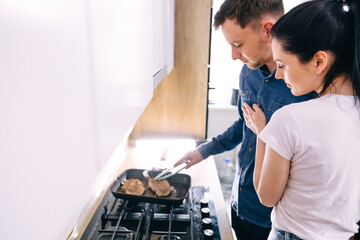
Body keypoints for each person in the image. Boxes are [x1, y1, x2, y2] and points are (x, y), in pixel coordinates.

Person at [174, 0, 316, 239]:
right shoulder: (248, 72)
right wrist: (203, 151)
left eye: (238, 44)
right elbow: (243, 124)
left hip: (274, 221)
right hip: (241, 206)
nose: (233, 55)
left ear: (268, 31)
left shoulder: (307, 86)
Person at [242, 0, 360, 239]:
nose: (278, 74)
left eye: (283, 65)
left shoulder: (290, 119)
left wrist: (262, 133)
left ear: (318, 61)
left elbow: (266, 197)